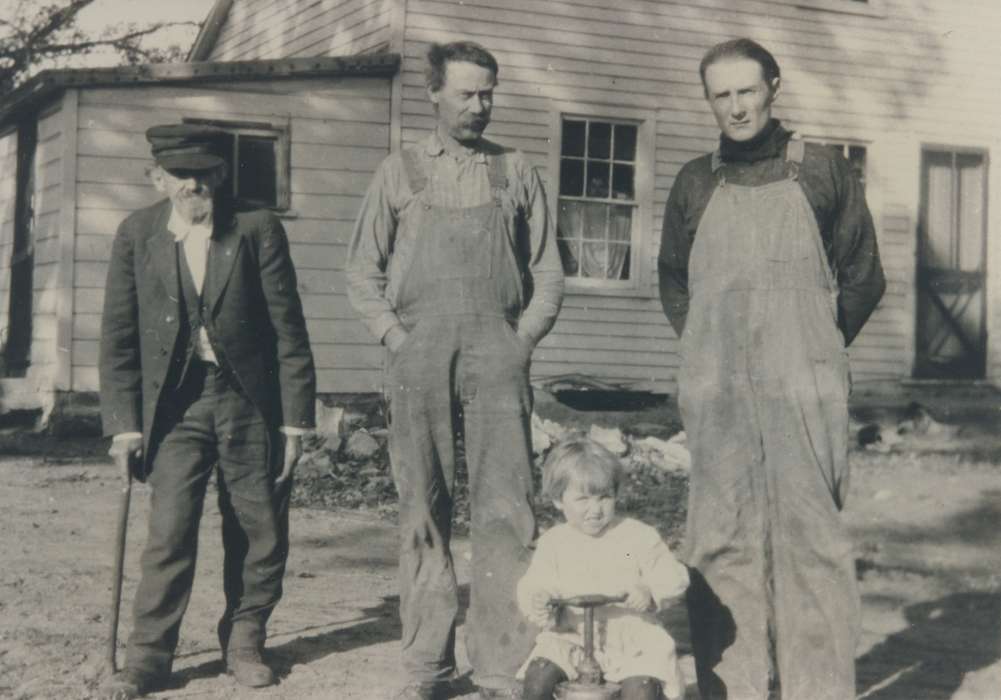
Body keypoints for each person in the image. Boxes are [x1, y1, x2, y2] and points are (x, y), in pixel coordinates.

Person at [658, 38, 886, 700]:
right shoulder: (694, 182)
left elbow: (863, 275)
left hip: (803, 381)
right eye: (720, 95)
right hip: (718, 385)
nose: (735, 106)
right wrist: (709, 352)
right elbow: (676, 284)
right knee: (719, 537)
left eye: (746, 90)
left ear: (774, 87)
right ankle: (734, 689)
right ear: (708, 101)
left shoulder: (823, 171)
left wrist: (813, 344)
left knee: (811, 541)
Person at [346, 40, 564, 700]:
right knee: (423, 508)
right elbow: (361, 272)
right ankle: (427, 666)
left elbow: (548, 271)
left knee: (505, 508)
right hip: (420, 355)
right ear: (434, 95)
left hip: (496, 353)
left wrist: (519, 340)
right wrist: (395, 338)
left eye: (488, 93)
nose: (479, 106)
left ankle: (502, 663)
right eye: (466, 93)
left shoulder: (515, 171)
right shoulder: (399, 171)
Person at [99, 124, 316, 699]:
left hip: (248, 401)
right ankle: (147, 659)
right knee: (170, 531)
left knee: (259, 527)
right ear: (158, 177)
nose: (194, 185)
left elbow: (288, 330)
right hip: (175, 406)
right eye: (181, 174)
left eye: (206, 173)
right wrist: (123, 427)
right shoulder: (137, 234)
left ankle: (245, 642)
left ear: (222, 175)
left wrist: (295, 421)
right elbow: (118, 339)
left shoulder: (256, 228)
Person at [516, 438, 689, 700]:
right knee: (538, 678)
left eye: (604, 497)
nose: (595, 510)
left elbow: (674, 575)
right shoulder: (554, 542)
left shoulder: (637, 536)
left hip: (632, 641)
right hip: (572, 636)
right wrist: (539, 598)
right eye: (582, 499)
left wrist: (650, 590)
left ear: (616, 494)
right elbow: (535, 583)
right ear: (558, 501)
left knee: (640, 690)